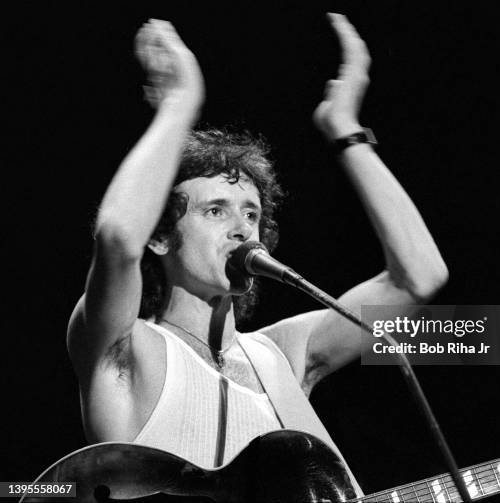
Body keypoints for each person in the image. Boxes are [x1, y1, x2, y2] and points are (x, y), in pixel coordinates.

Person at [67, 14, 448, 497]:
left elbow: (419, 278)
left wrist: (346, 131)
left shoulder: (283, 354)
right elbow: (119, 237)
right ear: (160, 237)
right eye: (215, 211)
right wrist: (179, 105)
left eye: (251, 213)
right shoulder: (127, 346)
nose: (242, 227)